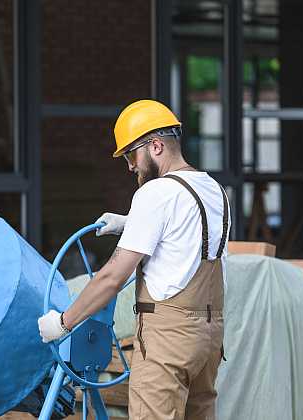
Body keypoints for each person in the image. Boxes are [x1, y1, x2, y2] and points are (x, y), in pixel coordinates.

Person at [38, 99, 231, 419]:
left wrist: (63, 322)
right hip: (209, 336)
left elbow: (113, 276)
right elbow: (186, 236)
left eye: (131, 155)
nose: (130, 166)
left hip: (168, 338)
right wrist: (130, 223)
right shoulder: (213, 190)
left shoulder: (154, 194)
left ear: (155, 146)